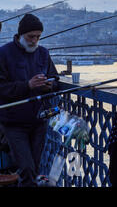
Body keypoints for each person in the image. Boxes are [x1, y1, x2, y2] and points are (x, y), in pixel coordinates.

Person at [0, 14, 59, 187]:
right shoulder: (4, 54)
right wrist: (28, 85)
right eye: (30, 37)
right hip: (13, 123)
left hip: (38, 121)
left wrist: (50, 85)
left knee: (33, 168)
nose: (34, 41)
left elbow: (54, 78)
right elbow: (2, 88)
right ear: (20, 35)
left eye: (38, 37)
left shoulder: (43, 53)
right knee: (26, 167)